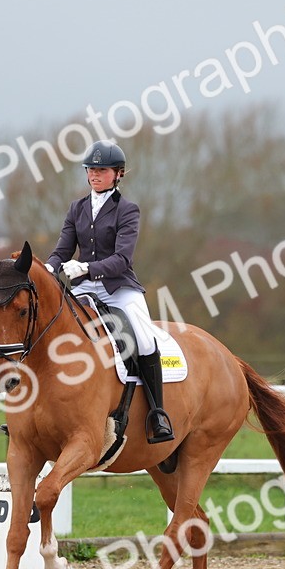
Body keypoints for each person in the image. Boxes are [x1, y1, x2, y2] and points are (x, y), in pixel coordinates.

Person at [45, 140, 174, 444]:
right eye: (91, 169)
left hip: (119, 288)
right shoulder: (76, 208)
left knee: (143, 339)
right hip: (83, 288)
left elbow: (122, 259)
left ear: (118, 174)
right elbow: (63, 249)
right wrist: (49, 268)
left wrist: (87, 268)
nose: (94, 175)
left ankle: (158, 414)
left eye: (101, 170)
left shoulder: (127, 210)